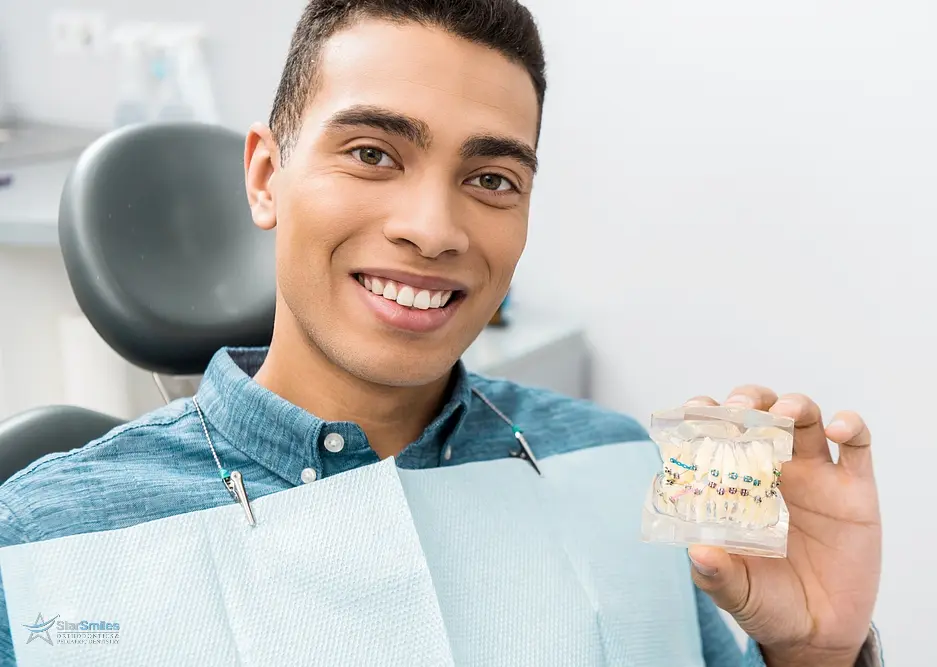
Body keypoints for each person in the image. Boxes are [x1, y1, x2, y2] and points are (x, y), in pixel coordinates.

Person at [0, 1, 883, 664]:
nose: (434, 227)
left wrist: (818, 654)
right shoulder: (39, 539)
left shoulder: (616, 462)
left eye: (492, 177)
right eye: (374, 153)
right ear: (267, 177)